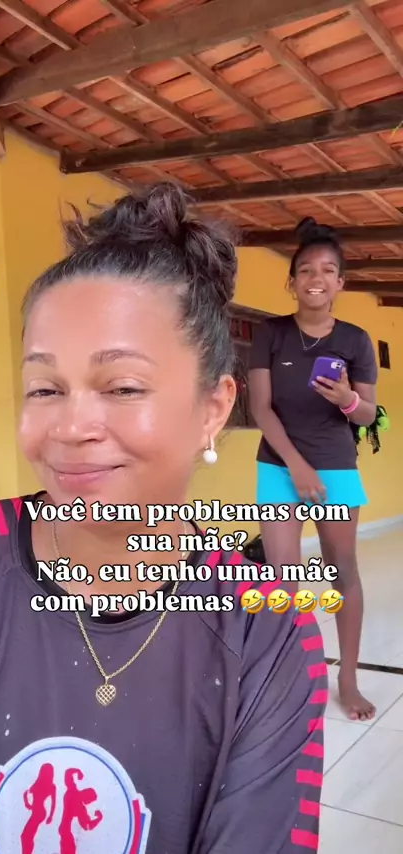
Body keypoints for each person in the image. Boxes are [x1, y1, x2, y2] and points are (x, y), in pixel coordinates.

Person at [0, 185, 327, 854]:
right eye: (45, 388)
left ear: (213, 408)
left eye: (123, 388)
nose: (70, 427)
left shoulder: (267, 628)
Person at [248, 216, 377, 723]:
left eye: (326, 270)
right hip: (279, 466)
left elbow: (368, 414)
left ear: (340, 282)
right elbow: (260, 408)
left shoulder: (357, 340)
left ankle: (347, 678)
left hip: (337, 467)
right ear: (293, 281)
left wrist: (347, 399)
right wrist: (297, 466)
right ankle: (286, 676)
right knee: (281, 578)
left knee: (342, 571)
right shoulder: (271, 333)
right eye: (305, 269)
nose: (315, 278)